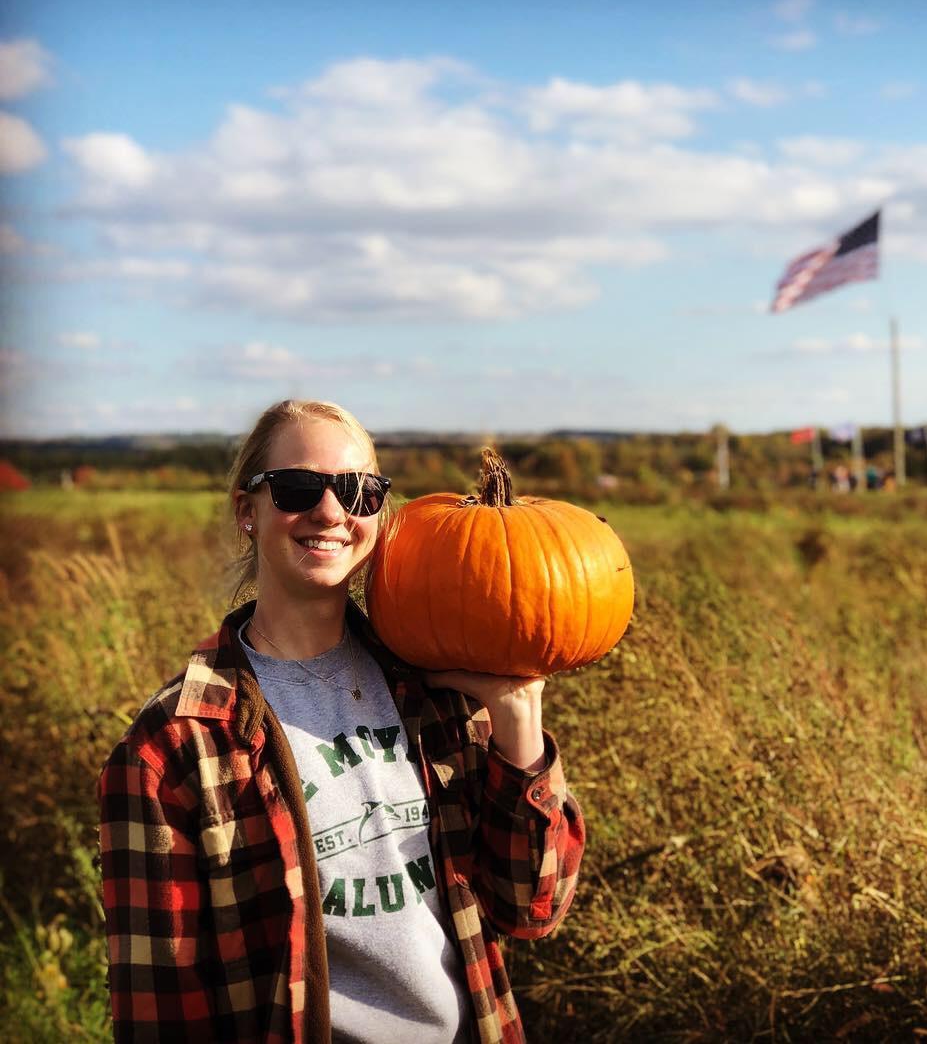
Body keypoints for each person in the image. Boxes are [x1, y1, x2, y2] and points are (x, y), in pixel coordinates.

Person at [98, 398, 585, 1044]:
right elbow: (162, 1014)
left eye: (358, 491)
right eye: (298, 488)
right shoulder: (174, 746)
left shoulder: (431, 686)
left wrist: (517, 712)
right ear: (248, 511)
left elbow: (529, 908)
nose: (331, 512)